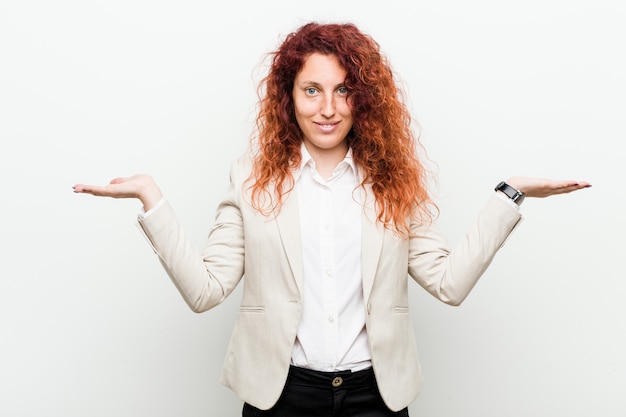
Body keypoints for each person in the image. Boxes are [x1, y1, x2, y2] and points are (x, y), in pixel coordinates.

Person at [73, 22, 590, 417]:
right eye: (312, 90)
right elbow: (206, 290)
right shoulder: (250, 178)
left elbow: (448, 283)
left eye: (344, 90)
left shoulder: (392, 181)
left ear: (362, 100)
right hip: (281, 395)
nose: (328, 108)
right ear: (289, 98)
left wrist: (510, 195)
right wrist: (152, 199)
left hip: (375, 396)